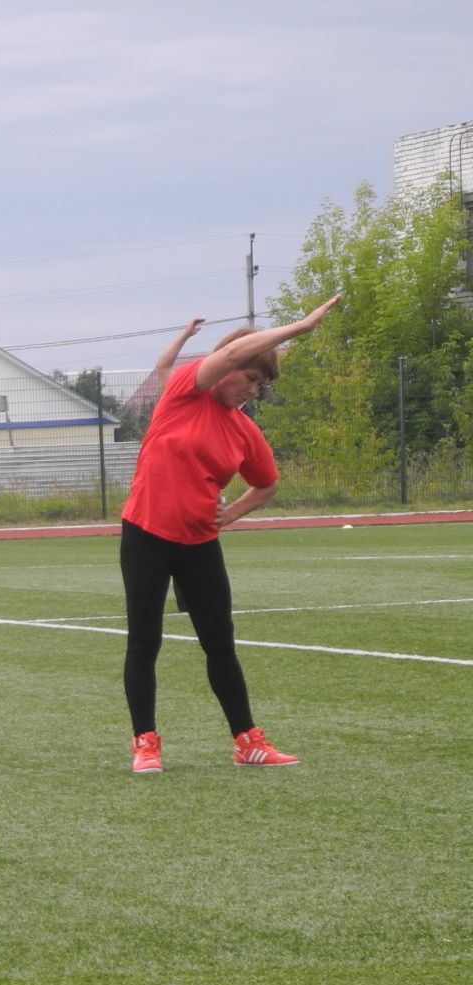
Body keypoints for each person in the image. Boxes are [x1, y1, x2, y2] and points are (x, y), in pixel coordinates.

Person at [119, 295, 341, 774]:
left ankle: (247, 742)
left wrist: (234, 512)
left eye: (260, 384)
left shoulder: (243, 430)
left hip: (200, 544)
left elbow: (268, 483)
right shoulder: (184, 391)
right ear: (229, 366)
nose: (252, 389)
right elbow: (231, 353)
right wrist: (299, 327)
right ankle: (146, 742)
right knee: (144, 642)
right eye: (251, 377)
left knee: (220, 644)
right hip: (146, 535)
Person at [149, 318, 205, 614]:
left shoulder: (216, 408)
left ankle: (192, 597)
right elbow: (163, 366)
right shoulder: (178, 397)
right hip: (163, 485)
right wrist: (185, 334)